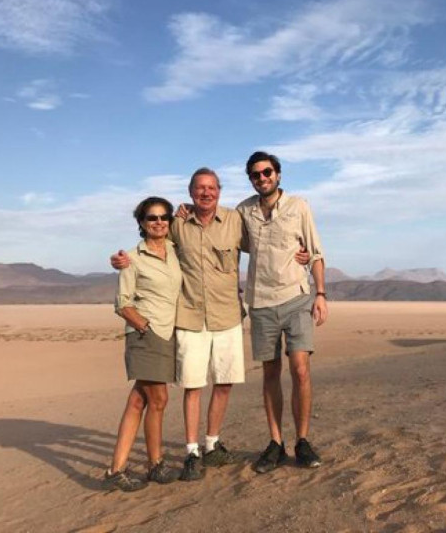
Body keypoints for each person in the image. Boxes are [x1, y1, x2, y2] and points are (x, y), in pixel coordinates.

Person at [112, 169, 246, 482]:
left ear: (219, 191)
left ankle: (211, 445)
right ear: (189, 192)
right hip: (187, 319)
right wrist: (119, 261)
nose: (206, 193)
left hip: (227, 315)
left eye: (212, 187)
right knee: (192, 385)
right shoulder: (177, 226)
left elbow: (264, 244)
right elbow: (142, 251)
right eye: (200, 188)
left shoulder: (235, 221)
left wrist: (301, 255)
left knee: (224, 382)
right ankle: (190, 453)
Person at [237, 151, 328, 474]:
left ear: (278, 174)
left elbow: (315, 252)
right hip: (261, 301)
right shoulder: (244, 211)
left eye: (267, 172)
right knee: (270, 373)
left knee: (300, 368)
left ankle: (302, 440)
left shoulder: (298, 207)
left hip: (296, 297)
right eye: (255, 175)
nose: (262, 178)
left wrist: (320, 293)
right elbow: (229, 245)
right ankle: (275, 442)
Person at [104, 196, 182, 492]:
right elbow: (122, 303)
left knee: (139, 401)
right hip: (146, 335)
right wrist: (145, 327)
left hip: (168, 334)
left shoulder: (174, 250)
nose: (159, 222)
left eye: (164, 217)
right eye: (152, 218)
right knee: (159, 399)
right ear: (141, 223)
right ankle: (156, 464)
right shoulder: (132, 259)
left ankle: (116, 469)